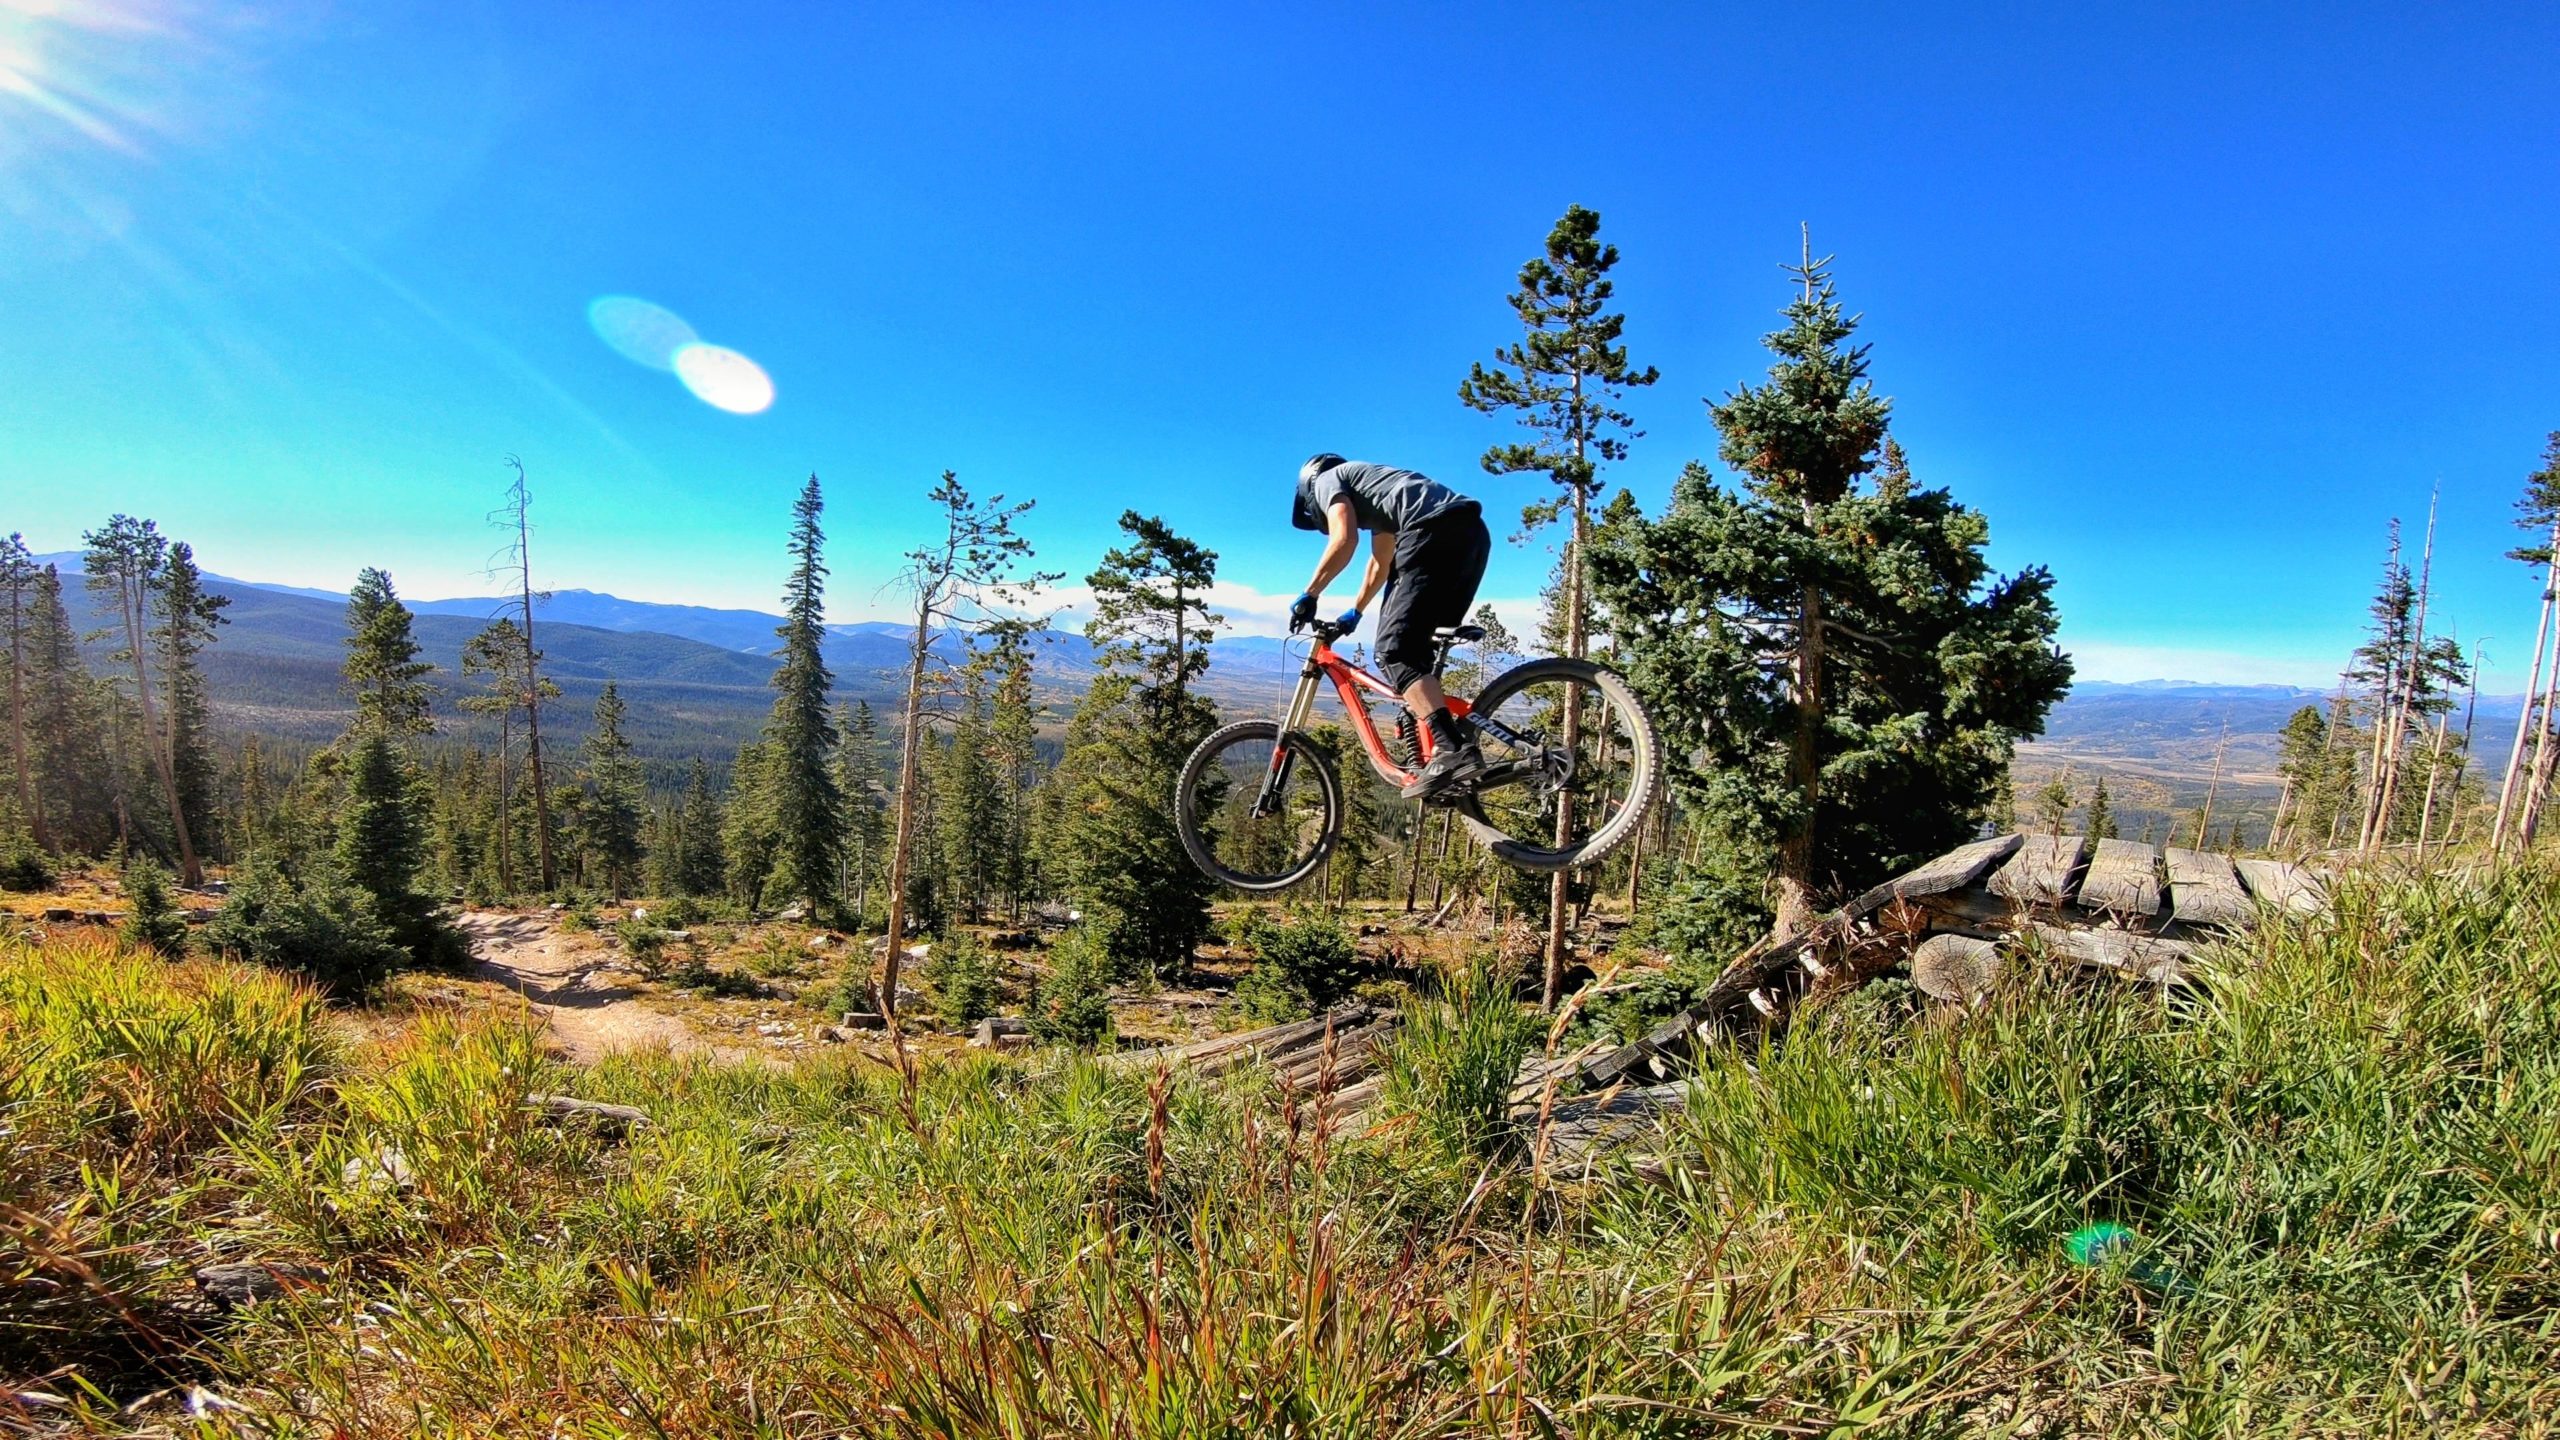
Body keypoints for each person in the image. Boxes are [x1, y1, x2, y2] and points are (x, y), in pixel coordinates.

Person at [1287, 453, 1492, 800]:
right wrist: (1356, 611)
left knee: (1396, 650)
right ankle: (1438, 755)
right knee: (1419, 650)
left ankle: (1451, 749)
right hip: (1471, 534)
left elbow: (1343, 539)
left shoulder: (1327, 480)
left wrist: (1310, 594)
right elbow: (1380, 564)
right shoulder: (1381, 493)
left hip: (1432, 530)